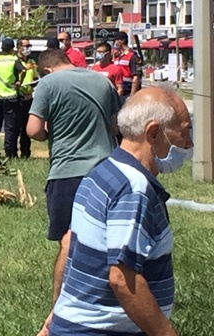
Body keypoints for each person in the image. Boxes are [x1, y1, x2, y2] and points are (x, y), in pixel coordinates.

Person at [47, 85, 192, 336]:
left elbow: (69, 243)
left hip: (71, 326)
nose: (188, 144)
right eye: (185, 132)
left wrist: (56, 315)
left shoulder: (103, 172)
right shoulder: (134, 189)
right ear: (154, 133)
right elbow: (123, 279)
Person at [26, 49, 122, 336]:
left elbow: (33, 131)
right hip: (107, 170)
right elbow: (116, 126)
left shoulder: (47, 84)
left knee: (69, 241)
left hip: (68, 172)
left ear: (46, 69)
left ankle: (57, 314)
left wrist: (49, 133)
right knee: (107, 242)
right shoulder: (102, 81)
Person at [15, 37, 37, 158]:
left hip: (29, 98)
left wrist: (35, 83)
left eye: (29, 45)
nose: (28, 48)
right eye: (26, 46)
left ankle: (25, 153)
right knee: (14, 128)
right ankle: (12, 153)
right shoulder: (15, 61)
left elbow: (34, 77)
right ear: (19, 47)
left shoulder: (32, 62)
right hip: (17, 97)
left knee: (26, 128)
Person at [113, 31, 143, 97]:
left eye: (115, 41)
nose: (114, 43)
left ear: (122, 41)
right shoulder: (117, 56)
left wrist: (132, 95)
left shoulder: (132, 56)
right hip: (117, 87)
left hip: (127, 88)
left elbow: (136, 77)